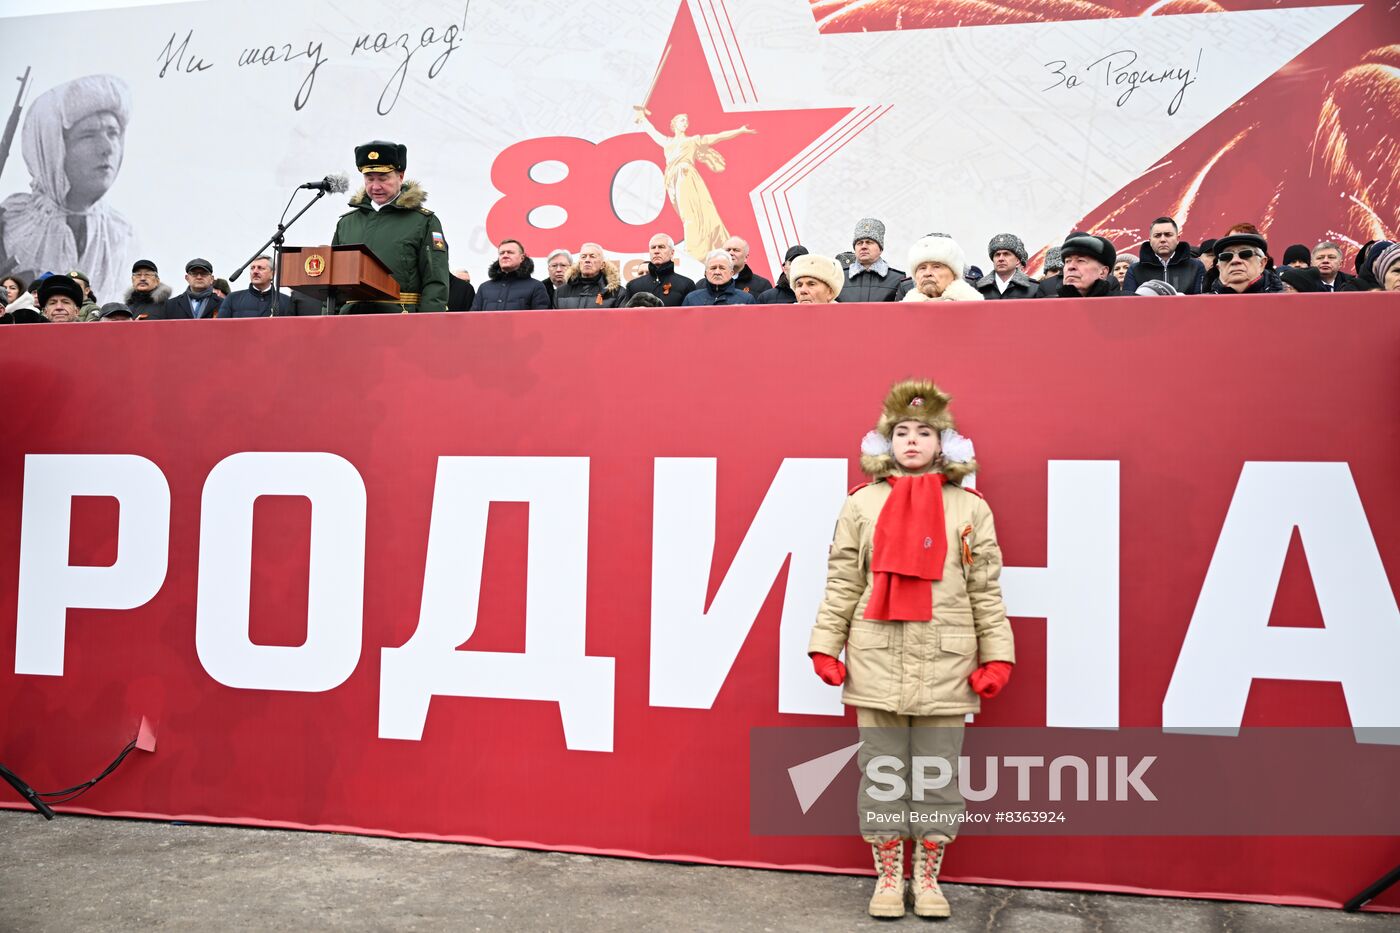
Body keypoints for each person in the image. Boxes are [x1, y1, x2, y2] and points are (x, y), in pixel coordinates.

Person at [809, 378, 1014, 920]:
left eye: (925, 432)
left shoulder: (970, 508)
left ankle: (927, 881)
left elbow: (984, 589)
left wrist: (996, 656)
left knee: (937, 775)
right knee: (881, 773)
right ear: (886, 442)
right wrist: (826, 645)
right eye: (901, 431)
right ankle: (887, 877)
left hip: (947, 662)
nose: (912, 441)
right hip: (877, 657)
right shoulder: (861, 503)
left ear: (944, 443)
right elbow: (843, 582)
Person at [0, 75, 136, 304]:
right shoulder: (9, 223)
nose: (107, 148)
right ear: (53, 145)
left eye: (113, 133)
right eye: (88, 135)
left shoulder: (124, 235)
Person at [332, 140, 449, 313]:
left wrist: (428, 326)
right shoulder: (347, 224)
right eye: (369, 179)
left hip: (400, 320)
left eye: (383, 178)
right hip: (350, 321)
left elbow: (435, 281)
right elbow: (333, 281)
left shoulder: (424, 221)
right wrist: (329, 322)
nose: (375, 186)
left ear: (400, 177)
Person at [635, 111, 755, 263]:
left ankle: (693, 251)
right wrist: (642, 117)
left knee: (691, 214)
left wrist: (740, 130)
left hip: (686, 176)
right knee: (687, 215)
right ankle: (695, 249)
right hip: (672, 180)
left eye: (686, 121)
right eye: (681, 120)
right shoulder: (667, 142)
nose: (685, 123)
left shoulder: (693, 140)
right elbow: (652, 131)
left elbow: (717, 136)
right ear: (674, 124)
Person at [1122, 216, 1205, 295]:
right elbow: (1129, 304)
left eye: (1168, 235)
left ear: (1177, 239)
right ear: (1150, 241)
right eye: (1157, 235)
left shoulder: (1196, 267)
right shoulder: (1135, 270)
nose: (1162, 240)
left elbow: (1201, 302)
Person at [471, 239, 550, 311]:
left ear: (522, 258)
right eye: (501, 253)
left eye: (510, 252)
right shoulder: (484, 288)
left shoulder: (536, 286)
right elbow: (473, 319)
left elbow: (541, 320)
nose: (505, 255)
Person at [1036, 233, 1121, 298]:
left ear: (1103, 272)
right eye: (1067, 261)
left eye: (1080, 261)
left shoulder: (1127, 304)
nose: (1070, 267)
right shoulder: (1047, 306)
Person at [840, 218, 904, 302]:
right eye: (859, 243)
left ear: (880, 248)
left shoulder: (897, 279)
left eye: (869, 242)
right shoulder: (840, 278)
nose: (863, 246)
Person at [902, 236, 983, 302]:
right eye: (922, 268)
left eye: (936, 267)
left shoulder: (973, 304)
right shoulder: (904, 309)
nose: (927, 273)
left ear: (954, 274)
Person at [624, 233, 695, 306]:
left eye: (661, 247)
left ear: (672, 253)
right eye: (653, 247)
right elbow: (627, 315)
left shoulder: (687, 285)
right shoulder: (633, 286)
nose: (656, 251)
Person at [1209, 230, 1283, 294]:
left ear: (1262, 263)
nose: (1235, 260)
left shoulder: (1287, 302)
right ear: (1219, 267)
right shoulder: (1203, 305)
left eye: (1245, 254)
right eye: (1226, 256)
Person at [553, 242, 624, 308]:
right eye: (583, 257)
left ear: (602, 264)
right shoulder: (560, 292)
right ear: (579, 263)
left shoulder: (616, 292)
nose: (587, 260)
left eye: (592, 256)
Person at [220, 255, 290, 317]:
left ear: (272, 273)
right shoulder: (233, 298)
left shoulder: (287, 301)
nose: (255, 272)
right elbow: (220, 327)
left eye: (260, 268)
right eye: (252, 268)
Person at [680, 250, 756, 306]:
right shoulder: (691, 299)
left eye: (722, 268)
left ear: (731, 273)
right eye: (713, 268)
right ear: (706, 273)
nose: (717, 272)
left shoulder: (746, 300)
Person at [974, 234, 1036, 300]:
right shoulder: (977, 288)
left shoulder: (1034, 288)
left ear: (1017, 260)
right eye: (997, 255)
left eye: (1006, 254)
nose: (1001, 258)